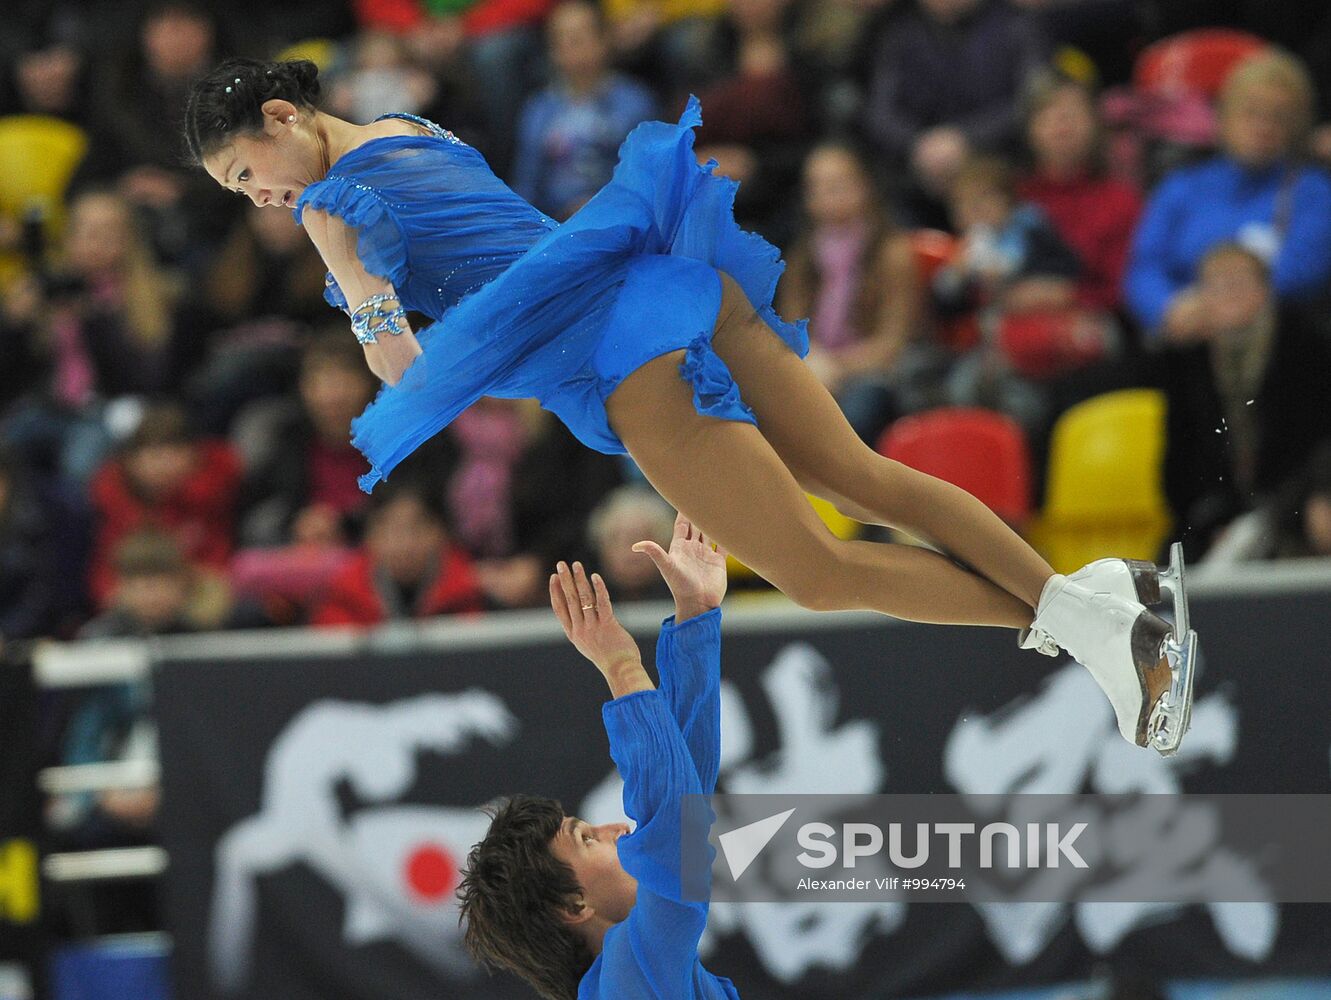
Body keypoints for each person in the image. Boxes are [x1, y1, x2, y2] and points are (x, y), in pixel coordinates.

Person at [184, 57, 1194, 754]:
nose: (254, 198)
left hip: (626, 359)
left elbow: (413, 381)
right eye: (234, 192)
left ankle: (1104, 628)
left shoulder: (340, 204)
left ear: (282, 120)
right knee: (864, 476)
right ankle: (1099, 614)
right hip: (675, 288)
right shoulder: (404, 129)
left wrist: (349, 276)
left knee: (816, 569)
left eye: (244, 173)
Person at [458, 513, 738, 999]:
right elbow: (673, 829)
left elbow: (683, 809)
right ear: (574, 903)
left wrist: (695, 612)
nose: (618, 829)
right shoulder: (630, 974)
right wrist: (619, 665)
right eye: (587, 839)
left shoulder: (628, 975)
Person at [1125, 49, 1331, 341]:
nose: (1263, 127)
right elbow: (1145, 265)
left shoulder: (1313, 192)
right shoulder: (1182, 185)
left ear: (1297, 127)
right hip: (1182, 331)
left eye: (1278, 116)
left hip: (1275, 338)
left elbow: (1301, 273)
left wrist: (1221, 306)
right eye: (1251, 112)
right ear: (1224, 116)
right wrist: (1167, 307)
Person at [511, 0, 658, 220]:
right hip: (552, 224)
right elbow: (526, 185)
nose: (572, 48)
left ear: (604, 40)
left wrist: (604, 205)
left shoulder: (633, 102)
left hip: (616, 220)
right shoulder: (539, 109)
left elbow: (647, 179)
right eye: (562, 40)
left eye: (580, 38)